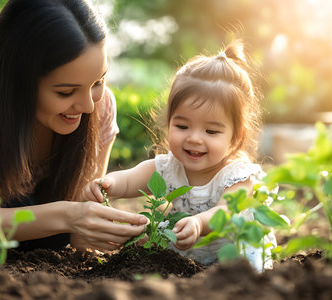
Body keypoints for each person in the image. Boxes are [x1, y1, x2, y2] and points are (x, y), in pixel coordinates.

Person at [0, 0, 148, 250]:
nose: (88, 106)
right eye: (66, 92)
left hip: (20, 202)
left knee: (45, 229)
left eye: (98, 81)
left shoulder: (100, 104)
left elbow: (81, 216)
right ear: (18, 82)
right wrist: (67, 216)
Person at [84, 40, 276, 270]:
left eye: (211, 131)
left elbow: (226, 211)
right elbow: (128, 180)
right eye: (182, 126)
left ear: (235, 137)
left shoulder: (237, 176)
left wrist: (198, 223)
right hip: (186, 261)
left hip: (234, 261)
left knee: (248, 266)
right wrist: (106, 183)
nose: (194, 138)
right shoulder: (167, 168)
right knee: (146, 243)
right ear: (168, 124)